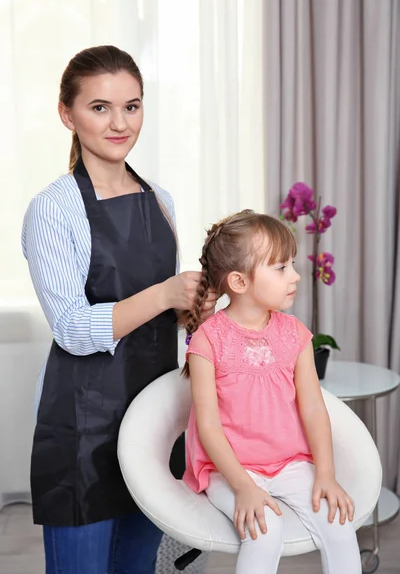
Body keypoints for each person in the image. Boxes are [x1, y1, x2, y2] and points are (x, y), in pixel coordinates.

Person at [22, 45, 216, 574]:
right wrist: (165, 293)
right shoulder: (54, 208)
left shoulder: (161, 199)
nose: (119, 123)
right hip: (83, 427)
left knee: (136, 566)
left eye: (131, 106)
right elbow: (70, 328)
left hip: (155, 418)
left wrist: (194, 306)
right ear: (68, 114)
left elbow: (167, 320)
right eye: (100, 107)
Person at [182, 210, 362, 574]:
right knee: (264, 532)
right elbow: (209, 428)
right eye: (280, 268)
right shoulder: (208, 340)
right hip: (228, 469)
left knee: (339, 524)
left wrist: (325, 473)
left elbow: (313, 407)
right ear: (239, 281)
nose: (294, 276)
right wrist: (243, 486)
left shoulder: (294, 333)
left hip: (291, 463)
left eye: (291, 264)